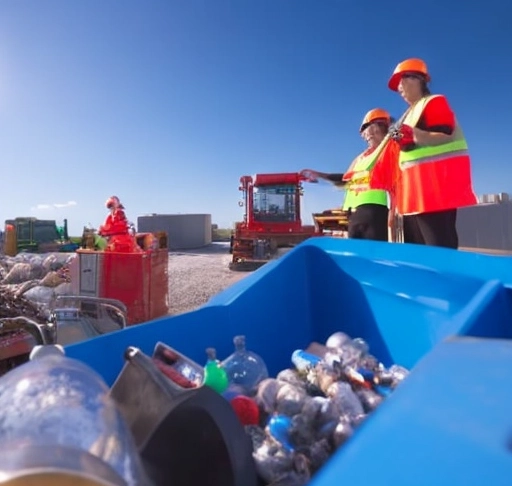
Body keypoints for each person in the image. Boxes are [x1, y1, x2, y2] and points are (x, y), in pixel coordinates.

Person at [372, 58, 478, 249]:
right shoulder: (409, 114)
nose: (399, 89)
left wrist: (412, 135)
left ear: (417, 79)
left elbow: (444, 134)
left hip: (435, 192)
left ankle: (447, 279)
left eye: (402, 82)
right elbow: (408, 148)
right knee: (420, 252)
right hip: (415, 195)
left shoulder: (434, 102)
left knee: (440, 250)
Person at [306, 108, 393, 241]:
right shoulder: (360, 158)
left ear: (378, 127)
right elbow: (345, 179)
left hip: (376, 214)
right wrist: (319, 175)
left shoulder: (390, 150)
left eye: (366, 129)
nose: (364, 135)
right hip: (354, 216)